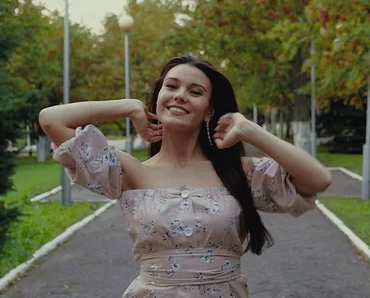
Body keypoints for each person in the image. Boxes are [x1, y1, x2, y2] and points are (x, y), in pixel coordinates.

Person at [39, 55, 332, 297]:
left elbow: (318, 179)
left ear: (209, 110)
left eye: (195, 92)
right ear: (159, 98)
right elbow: (52, 119)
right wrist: (128, 106)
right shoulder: (131, 172)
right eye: (171, 86)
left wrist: (250, 131)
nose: (180, 96)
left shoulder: (239, 172)